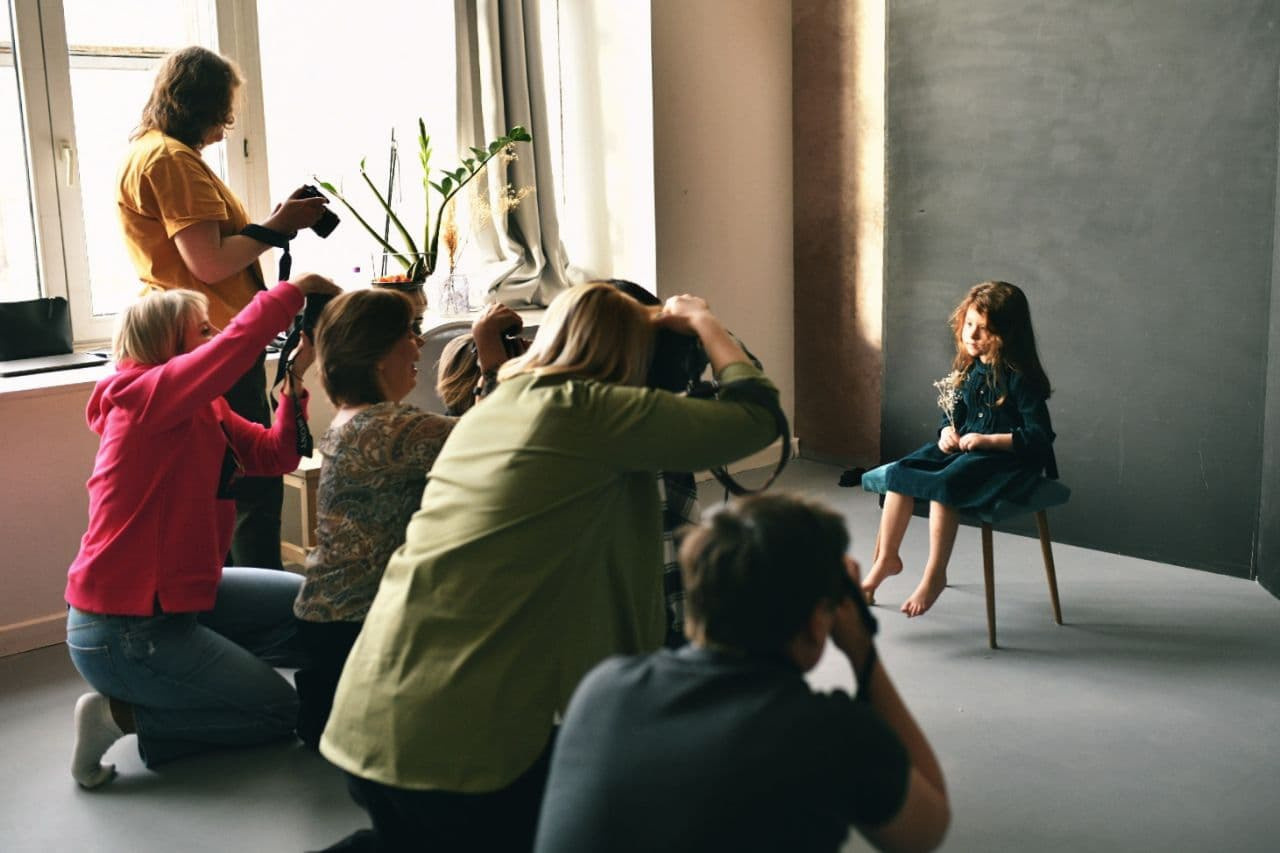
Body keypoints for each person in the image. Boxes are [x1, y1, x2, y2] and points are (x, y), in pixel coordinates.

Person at [319, 283, 782, 851]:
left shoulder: (500, 407)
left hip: (375, 713)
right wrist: (705, 322)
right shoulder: (588, 412)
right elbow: (757, 418)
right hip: (454, 748)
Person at [533, 493, 951, 853]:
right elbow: (927, 828)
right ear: (815, 621)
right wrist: (862, 650)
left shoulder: (605, 687)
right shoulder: (827, 733)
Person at [65, 273, 341, 788]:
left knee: (309, 603)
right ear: (166, 345)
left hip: (181, 600)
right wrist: (292, 291)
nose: (216, 336)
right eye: (202, 331)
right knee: (279, 713)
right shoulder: (142, 398)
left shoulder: (203, 407)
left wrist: (295, 378)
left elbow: (273, 454)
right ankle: (120, 719)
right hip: (123, 630)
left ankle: (207, 674)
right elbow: (233, 350)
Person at [117, 45, 331, 570]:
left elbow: (206, 254)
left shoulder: (151, 152)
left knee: (219, 482)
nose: (227, 124)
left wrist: (274, 221)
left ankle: (231, 603)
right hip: (207, 338)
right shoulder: (172, 160)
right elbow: (209, 263)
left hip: (186, 334)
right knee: (251, 487)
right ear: (200, 105)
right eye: (223, 111)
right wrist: (280, 227)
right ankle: (263, 613)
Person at [293, 288, 476, 748]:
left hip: (329, 616)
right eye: (408, 334)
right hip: (357, 629)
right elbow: (496, 433)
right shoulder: (391, 427)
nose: (417, 347)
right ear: (377, 356)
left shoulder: (355, 417)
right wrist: (491, 359)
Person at [860, 280, 1056, 617]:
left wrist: (989, 441)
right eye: (969, 325)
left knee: (945, 486)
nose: (972, 336)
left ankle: (935, 574)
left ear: (1007, 334)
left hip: (1005, 459)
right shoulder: (967, 369)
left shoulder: (1020, 378)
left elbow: (1040, 437)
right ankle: (886, 560)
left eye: (984, 330)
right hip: (965, 450)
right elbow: (951, 414)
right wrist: (946, 431)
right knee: (901, 472)